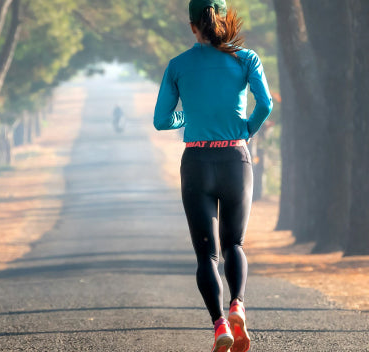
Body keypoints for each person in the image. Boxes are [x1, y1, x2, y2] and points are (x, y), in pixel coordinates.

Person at [152, 1, 271, 351]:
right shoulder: (246, 58)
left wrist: (188, 118)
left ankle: (220, 325)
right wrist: (246, 129)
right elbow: (265, 104)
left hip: (197, 160)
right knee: (234, 243)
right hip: (235, 156)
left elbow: (161, 120)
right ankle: (238, 305)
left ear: (192, 26)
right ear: (223, 18)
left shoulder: (178, 65)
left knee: (207, 255)